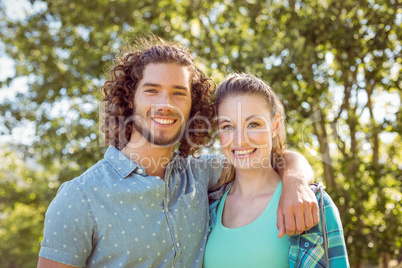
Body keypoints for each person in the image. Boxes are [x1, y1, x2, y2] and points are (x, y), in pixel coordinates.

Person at [38, 38, 318, 268]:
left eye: (178, 93)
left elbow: (268, 158)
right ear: (128, 99)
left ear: (192, 106)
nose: (166, 104)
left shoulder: (199, 175)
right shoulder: (80, 198)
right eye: (152, 90)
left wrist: (296, 184)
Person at [204, 73, 349, 267]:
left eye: (253, 124)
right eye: (228, 126)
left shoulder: (313, 204)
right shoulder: (208, 206)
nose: (240, 140)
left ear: (275, 126)